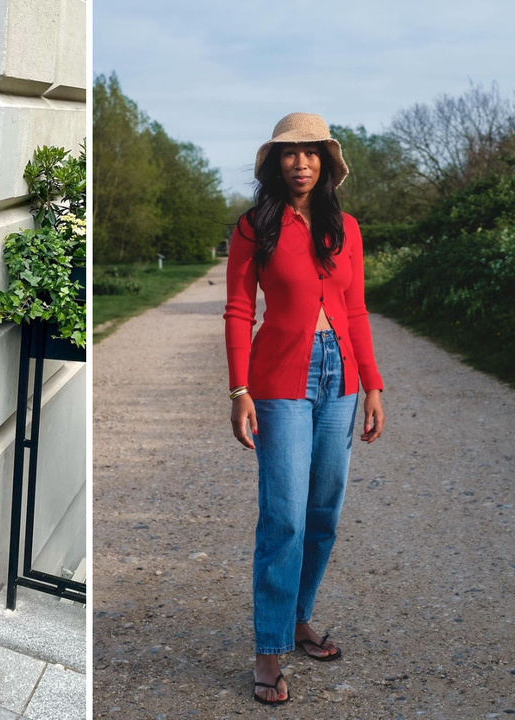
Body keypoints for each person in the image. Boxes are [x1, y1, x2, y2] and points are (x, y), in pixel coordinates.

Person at [223, 112, 386, 705]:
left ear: (326, 162)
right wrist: (239, 390)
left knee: (323, 514)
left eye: (311, 152)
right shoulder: (252, 228)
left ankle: (298, 617)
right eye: (289, 153)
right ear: (274, 163)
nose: (300, 162)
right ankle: (269, 649)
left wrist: (372, 384)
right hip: (280, 383)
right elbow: (239, 309)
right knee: (284, 517)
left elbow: (358, 310)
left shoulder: (347, 228)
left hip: (339, 379)